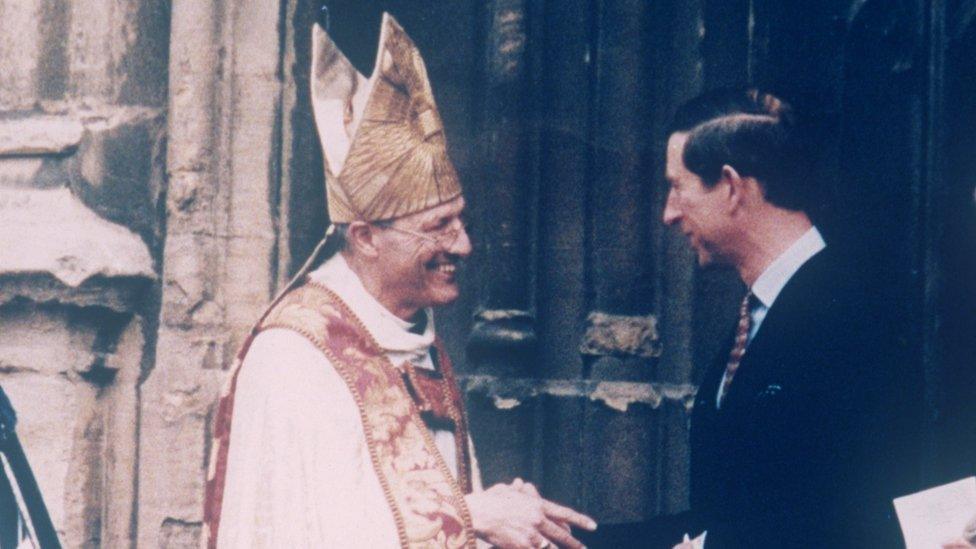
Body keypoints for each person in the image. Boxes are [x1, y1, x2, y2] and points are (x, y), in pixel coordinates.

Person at [201, 13, 595, 549]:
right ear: (364, 236)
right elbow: (305, 538)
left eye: (461, 221)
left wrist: (502, 520)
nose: (463, 245)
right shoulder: (295, 356)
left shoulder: (411, 338)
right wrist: (473, 513)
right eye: (438, 227)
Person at [581, 88, 912, 548]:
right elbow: (724, 517)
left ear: (732, 187)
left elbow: (837, 520)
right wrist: (566, 541)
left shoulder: (850, 315)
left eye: (677, 187)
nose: (669, 213)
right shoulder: (763, 314)